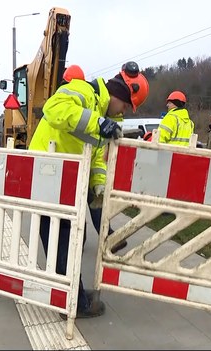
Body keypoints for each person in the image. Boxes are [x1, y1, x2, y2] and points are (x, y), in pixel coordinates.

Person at [29, 61, 149, 319]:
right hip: (46, 172)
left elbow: (96, 156)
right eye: (126, 106)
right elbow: (53, 108)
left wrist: (99, 186)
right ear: (119, 95)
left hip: (62, 178)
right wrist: (98, 122)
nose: (124, 112)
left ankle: (73, 295)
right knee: (64, 239)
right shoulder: (83, 92)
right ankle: (72, 302)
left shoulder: (101, 113)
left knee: (72, 239)